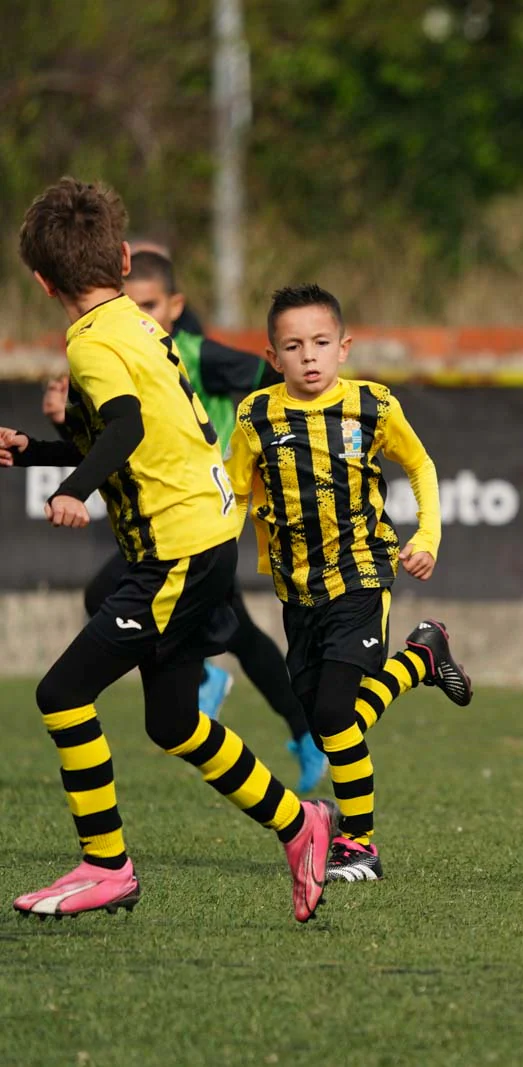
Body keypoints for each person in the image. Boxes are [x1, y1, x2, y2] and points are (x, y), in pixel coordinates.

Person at [2, 176, 336, 922]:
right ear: (123, 259)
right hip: (208, 537)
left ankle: (106, 865)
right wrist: (34, 454)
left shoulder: (89, 345)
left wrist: (75, 491)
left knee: (60, 693)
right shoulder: (139, 324)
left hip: (175, 550)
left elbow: (123, 429)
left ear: (41, 280)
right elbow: (130, 430)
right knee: (173, 721)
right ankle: (301, 821)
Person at [45, 251, 329, 793]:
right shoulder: (128, 347)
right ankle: (284, 724)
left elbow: (273, 379)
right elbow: (110, 436)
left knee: (113, 610)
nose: (142, 309)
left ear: (175, 306)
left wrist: (258, 442)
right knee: (231, 635)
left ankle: (248, 701)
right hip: (181, 520)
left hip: (202, 513)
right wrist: (60, 427)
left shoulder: (185, 351)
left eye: (152, 303)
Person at [226, 283, 474, 883]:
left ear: (344, 347)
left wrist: (429, 537)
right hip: (297, 591)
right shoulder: (255, 416)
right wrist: (209, 566)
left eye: (320, 342)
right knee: (325, 723)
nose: (308, 355)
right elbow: (234, 496)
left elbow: (420, 464)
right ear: (273, 355)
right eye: (293, 345)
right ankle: (420, 659)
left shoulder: (373, 407)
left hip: (361, 577)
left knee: (337, 716)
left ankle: (358, 844)